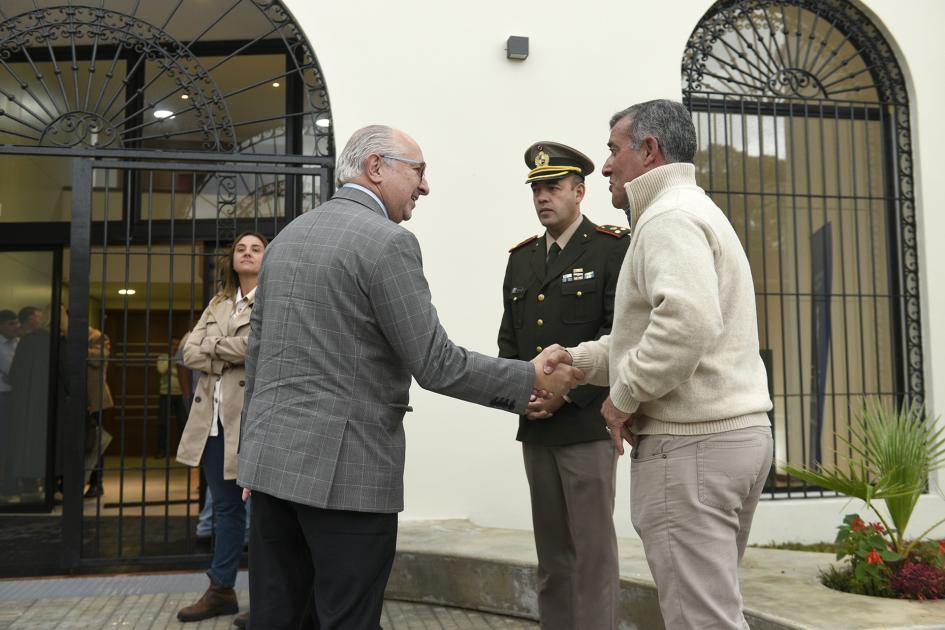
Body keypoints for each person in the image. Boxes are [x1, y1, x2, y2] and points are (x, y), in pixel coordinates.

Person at [237, 124, 581, 629]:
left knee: (279, 619)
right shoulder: (387, 243)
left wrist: (250, 453)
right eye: (418, 172)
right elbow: (435, 362)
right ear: (376, 168)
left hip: (269, 473)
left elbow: (258, 355)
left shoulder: (287, 237)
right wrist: (525, 378)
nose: (425, 187)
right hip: (346, 479)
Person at [542, 100, 774, 630]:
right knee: (713, 611)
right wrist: (576, 361)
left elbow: (687, 326)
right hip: (729, 440)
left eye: (612, 151)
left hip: (691, 449)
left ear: (648, 152)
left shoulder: (668, 219)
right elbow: (652, 335)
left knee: (701, 620)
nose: (604, 167)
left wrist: (622, 399)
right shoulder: (692, 210)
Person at [497, 141, 630, 629]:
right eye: (537, 188)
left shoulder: (613, 248)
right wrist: (522, 396)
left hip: (586, 423)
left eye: (553, 187)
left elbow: (620, 338)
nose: (542, 197)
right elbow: (509, 340)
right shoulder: (522, 259)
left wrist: (566, 394)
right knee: (552, 557)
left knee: (593, 555)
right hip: (536, 427)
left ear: (580, 192)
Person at [175, 231, 268, 623]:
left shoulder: (270, 300)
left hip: (249, 422)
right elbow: (186, 351)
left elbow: (257, 348)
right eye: (241, 250)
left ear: (266, 259)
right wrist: (223, 350)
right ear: (231, 260)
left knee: (265, 516)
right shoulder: (218, 303)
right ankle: (221, 590)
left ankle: (269, 601)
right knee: (227, 510)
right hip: (211, 425)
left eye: (256, 249)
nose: (247, 254)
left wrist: (213, 346)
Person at [85, 327, 114, 498]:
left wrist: (75, 345)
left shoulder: (97, 337)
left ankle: (96, 482)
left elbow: (98, 358)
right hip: (69, 398)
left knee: (93, 442)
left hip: (93, 400)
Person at [156, 337, 187, 459]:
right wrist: (172, 358)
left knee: (182, 424)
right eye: (172, 344)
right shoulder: (163, 357)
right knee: (163, 423)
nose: (174, 347)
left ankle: (183, 453)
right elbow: (161, 369)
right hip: (165, 394)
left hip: (180, 394)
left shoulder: (183, 356)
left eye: (177, 344)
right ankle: (161, 451)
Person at [0, 310, 18, 500]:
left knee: (12, 442)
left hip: (14, 395)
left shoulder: (18, 344)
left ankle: (10, 483)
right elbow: (10, 372)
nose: (16, 327)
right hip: (2, 395)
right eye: (12, 323)